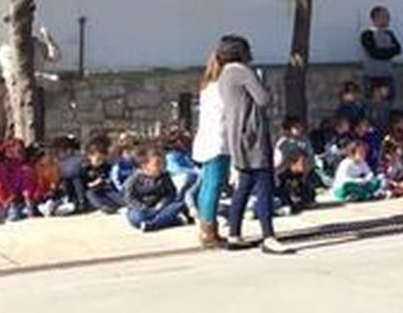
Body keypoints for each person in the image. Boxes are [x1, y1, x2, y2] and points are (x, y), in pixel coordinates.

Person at [217, 35, 291, 255]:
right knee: (264, 183)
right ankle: (268, 236)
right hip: (253, 134)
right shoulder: (242, 71)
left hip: (236, 134)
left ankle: (234, 233)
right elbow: (263, 99)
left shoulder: (224, 73)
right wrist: (263, 83)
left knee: (244, 184)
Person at [191, 43, 230, 248]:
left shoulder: (208, 85)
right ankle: (208, 229)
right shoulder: (220, 86)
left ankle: (207, 226)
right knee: (214, 185)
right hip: (218, 140)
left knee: (208, 184)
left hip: (208, 139)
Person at [122, 147, 189, 232]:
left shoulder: (164, 177)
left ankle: (152, 225)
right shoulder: (133, 180)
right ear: (145, 165)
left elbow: (171, 193)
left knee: (179, 205)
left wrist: (163, 203)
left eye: (161, 163)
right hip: (143, 210)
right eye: (157, 164)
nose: (160, 167)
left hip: (160, 208)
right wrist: (144, 207)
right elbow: (129, 198)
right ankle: (169, 221)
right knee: (137, 217)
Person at [360, 5, 403, 102]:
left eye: (388, 16)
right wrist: (389, 51)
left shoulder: (389, 33)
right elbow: (374, 53)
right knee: (374, 103)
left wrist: (385, 51)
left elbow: (398, 49)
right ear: (375, 18)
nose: (388, 19)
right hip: (372, 76)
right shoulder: (367, 34)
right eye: (385, 16)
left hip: (388, 74)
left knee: (389, 102)